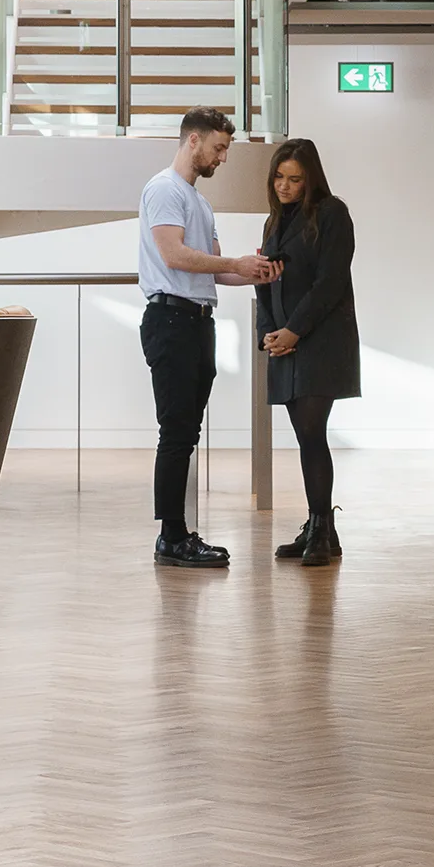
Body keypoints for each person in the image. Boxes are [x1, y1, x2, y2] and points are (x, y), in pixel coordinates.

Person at [137, 107, 278, 567]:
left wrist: (256, 272)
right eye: (219, 148)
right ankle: (171, 537)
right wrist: (235, 263)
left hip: (198, 322)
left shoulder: (199, 201)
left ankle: (177, 534)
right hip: (171, 322)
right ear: (193, 140)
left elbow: (214, 271)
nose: (222, 158)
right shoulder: (164, 189)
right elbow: (174, 255)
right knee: (176, 432)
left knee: (186, 431)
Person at [255, 138, 359, 567]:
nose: (284, 186)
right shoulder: (273, 222)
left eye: (295, 179)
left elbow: (330, 283)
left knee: (312, 430)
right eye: (279, 177)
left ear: (311, 179)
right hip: (285, 343)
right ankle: (321, 529)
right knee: (305, 435)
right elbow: (264, 281)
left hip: (320, 340)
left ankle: (320, 526)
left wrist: (294, 331)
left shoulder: (333, 214)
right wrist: (268, 334)